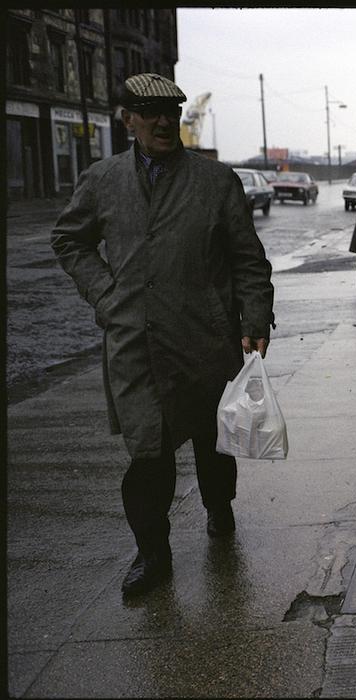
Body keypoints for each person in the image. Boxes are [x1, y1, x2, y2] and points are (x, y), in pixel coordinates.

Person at [50, 73, 275, 598]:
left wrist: (254, 319)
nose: (163, 122)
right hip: (135, 345)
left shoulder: (216, 181)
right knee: (148, 454)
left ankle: (219, 506)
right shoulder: (102, 179)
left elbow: (248, 260)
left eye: (171, 112)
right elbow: (68, 240)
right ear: (126, 118)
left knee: (211, 446)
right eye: (149, 112)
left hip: (203, 339)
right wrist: (105, 296)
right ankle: (153, 553)